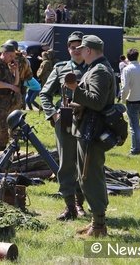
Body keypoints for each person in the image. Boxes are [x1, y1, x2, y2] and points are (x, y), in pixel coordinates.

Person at [64, 34, 115, 237]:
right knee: (90, 176)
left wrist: (75, 89)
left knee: (89, 177)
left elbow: (97, 102)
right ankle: (97, 222)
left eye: (82, 48)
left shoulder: (99, 71)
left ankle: (99, 225)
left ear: (89, 51)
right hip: (88, 128)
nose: (79, 51)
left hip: (92, 131)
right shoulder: (96, 69)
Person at [39, 30, 88, 221]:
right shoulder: (60, 68)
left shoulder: (92, 68)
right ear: (68, 49)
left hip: (86, 122)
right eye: (72, 47)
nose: (76, 50)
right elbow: (45, 93)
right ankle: (70, 206)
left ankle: (80, 203)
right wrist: (53, 114)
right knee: (66, 163)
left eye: (79, 47)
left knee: (84, 164)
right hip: (65, 121)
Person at [0, 41, 22, 151]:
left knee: (10, 128)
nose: (12, 58)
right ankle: (0, 153)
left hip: (9, 101)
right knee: (2, 129)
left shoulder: (7, 65)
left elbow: (15, 83)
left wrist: (16, 70)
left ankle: (1, 148)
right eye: (11, 55)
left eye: (13, 56)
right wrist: (10, 87)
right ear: (4, 53)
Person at [120, 48, 140, 155]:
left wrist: (123, 99)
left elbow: (125, 87)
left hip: (132, 100)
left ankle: (135, 149)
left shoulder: (127, 69)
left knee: (133, 126)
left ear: (128, 57)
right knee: (136, 124)